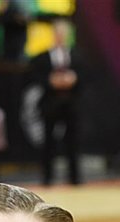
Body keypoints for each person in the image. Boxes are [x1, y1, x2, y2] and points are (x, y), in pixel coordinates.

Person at [29, 18, 83, 186]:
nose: (61, 36)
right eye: (58, 33)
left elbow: (86, 76)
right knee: (48, 141)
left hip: (71, 103)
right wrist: (50, 81)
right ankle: (47, 177)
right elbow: (35, 76)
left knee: (72, 140)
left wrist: (73, 79)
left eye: (63, 33)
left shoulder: (76, 55)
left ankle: (74, 177)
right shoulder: (42, 57)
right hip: (50, 104)